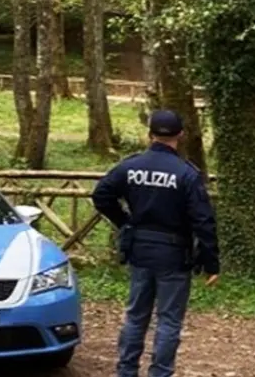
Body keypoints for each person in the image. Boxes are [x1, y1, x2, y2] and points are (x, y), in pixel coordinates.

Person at [92, 110, 220, 377]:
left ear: (150, 134)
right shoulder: (186, 174)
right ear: (181, 136)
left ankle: (126, 371)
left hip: (140, 250)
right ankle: (160, 373)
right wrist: (211, 263)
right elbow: (203, 220)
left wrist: (125, 221)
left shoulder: (130, 166)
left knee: (136, 315)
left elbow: (101, 195)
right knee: (169, 320)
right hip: (173, 254)